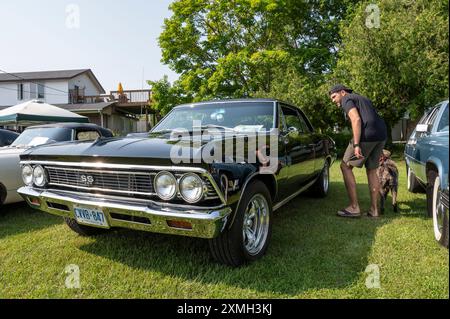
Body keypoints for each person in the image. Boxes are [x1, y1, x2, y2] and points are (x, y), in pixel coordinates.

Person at [329, 84, 387, 218]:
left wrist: (356, 144)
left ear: (342, 92)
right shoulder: (363, 98)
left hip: (367, 135)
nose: (333, 101)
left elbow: (356, 119)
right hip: (381, 134)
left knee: (345, 166)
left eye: (334, 96)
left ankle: (354, 207)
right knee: (372, 170)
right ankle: (374, 210)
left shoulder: (346, 99)